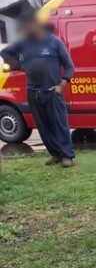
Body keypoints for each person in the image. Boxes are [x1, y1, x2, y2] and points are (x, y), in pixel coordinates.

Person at [0, 12, 76, 167]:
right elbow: (4, 53)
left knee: (59, 124)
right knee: (43, 127)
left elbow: (69, 66)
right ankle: (55, 154)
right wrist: (19, 65)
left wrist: (61, 85)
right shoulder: (24, 43)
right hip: (33, 93)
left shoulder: (54, 42)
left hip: (52, 92)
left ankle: (67, 156)